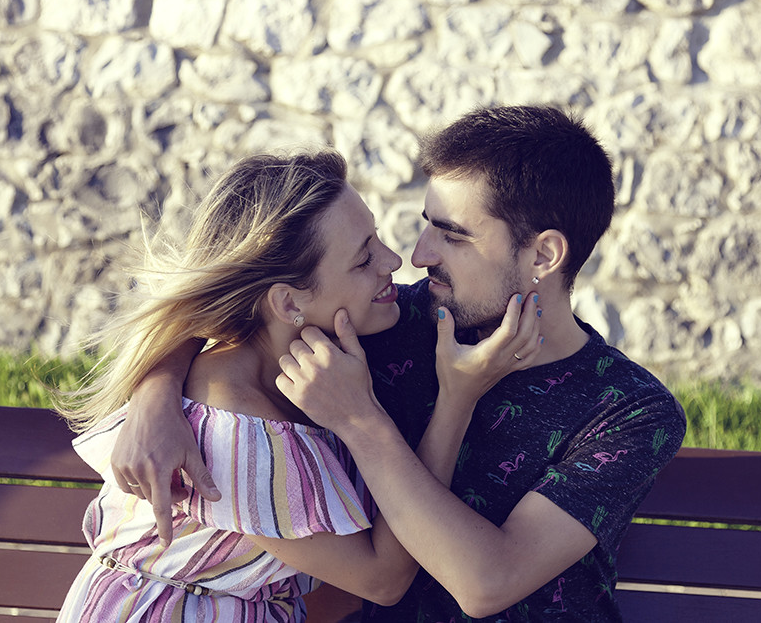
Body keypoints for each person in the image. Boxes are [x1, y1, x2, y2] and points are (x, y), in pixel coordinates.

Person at [114, 105, 688, 621]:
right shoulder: (395, 323)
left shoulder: (627, 412)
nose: (417, 255)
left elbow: (486, 584)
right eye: (426, 224)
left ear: (543, 254)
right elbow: (242, 306)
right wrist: (155, 396)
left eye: (453, 235)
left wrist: (363, 423)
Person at [53, 150, 544, 622]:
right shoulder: (236, 428)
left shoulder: (310, 353)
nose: (394, 260)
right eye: (362, 258)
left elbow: (197, 316)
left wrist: (154, 390)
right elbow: (383, 579)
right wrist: (457, 398)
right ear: (289, 304)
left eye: (376, 238)